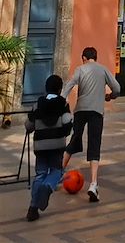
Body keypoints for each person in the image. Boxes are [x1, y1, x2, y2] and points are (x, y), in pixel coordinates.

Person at [62, 46, 121, 203]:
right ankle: (93, 184)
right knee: (94, 145)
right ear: (96, 57)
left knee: (74, 139)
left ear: (83, 57)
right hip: (96, 111)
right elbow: (117, 88)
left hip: (81, 110)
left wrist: (63, 99)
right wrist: (110, 96)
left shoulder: (80, 69)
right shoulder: (103, 70)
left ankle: (58, 172)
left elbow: (69, 85)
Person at [26, 75, 73, 222]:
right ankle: (48, 186)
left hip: (40, 146)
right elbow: (67, 124)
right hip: (57, 145)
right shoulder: (63, 104)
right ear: (60, 89)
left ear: (46, 88)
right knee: (57, 171)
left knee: (40, 174)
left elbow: (29, 125)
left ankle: (33, 209)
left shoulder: (37, 104)